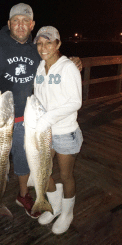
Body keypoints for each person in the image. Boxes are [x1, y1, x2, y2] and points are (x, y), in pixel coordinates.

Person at [0, 3, 82, 229]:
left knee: (24, 163)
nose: (20, 25)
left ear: (32, 25)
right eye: (15, 20)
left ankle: (23, 196)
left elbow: (55, 63)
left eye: (25, 21)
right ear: (9, 24)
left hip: (27, 122)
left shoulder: (36, 49)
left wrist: (75, 60)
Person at [33, 26, 83, 234]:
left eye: (49, 43)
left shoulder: (68, 67)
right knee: (42, 174)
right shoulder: (40, 66)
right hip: (45, 132)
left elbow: (75, 102)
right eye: (40, 43)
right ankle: (55, 206)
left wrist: (47, 119)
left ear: (58, 44)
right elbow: (38, 97)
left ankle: (67, 213)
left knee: (65, 175)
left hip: (65, 131)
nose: (43, 48)